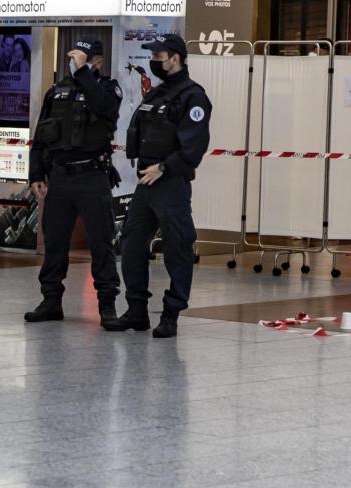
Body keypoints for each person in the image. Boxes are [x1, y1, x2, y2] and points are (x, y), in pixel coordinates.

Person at [106, 33, 212, 339]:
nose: (153, 62)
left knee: (177, 246)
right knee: (131, 243)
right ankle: (137, 310)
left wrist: (165, 167)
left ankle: (171, 313)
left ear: (175, 58)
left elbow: (195, 146)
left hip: (170, 183)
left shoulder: (194, 97)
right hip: (145, 182)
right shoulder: (157, 94)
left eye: (158, 57)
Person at [25, 39, 123, 327]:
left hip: (92, 177)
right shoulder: (56, 92)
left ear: (97, 62)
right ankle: (51, 300)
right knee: (54, 242)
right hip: (60, 178)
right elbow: (41, 135)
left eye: (81, 58)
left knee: (101, 243)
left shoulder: (107, 88)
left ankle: (107, 304)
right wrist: (35, 175)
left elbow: (103, 107)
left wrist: (84, 73)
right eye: (73, 57)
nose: (74, 62)